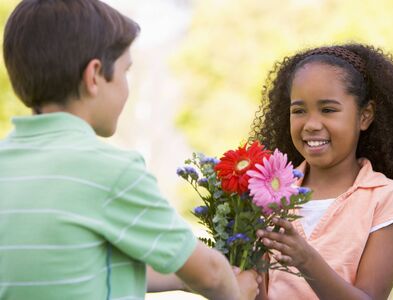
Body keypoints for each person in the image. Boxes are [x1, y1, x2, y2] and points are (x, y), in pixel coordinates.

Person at [0, 1, 260, 299]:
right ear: (94, 76)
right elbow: (212, 273)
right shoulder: (111, 171)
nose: (127, 87)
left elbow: (70, 266)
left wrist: (183, 279)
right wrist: (235, 292)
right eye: (126, 71)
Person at [250, 43, 393, 299]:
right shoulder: (271, 192)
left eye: (328, 110)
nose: (311, 124)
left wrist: (305, 259)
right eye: (299, 111)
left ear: (365, 116)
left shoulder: (386, 197)